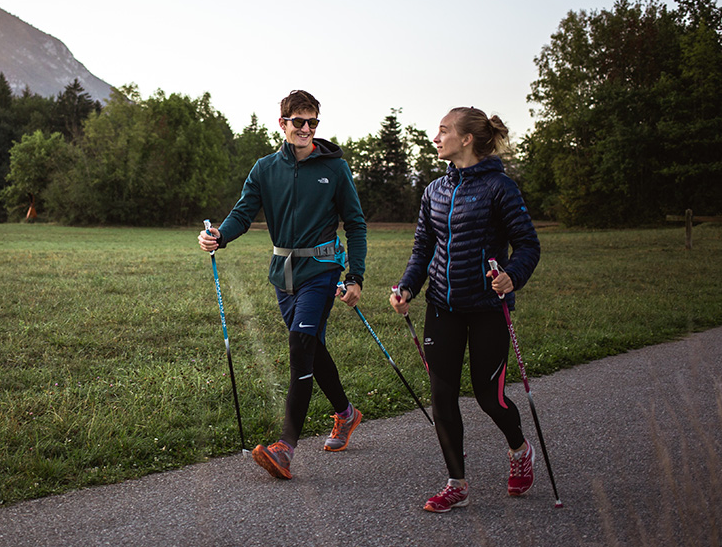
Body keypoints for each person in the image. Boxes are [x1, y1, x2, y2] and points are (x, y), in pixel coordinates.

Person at [198, 89, 368, 480]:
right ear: (283, 124)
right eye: (299, 122)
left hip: (323, 269)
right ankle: (346, 414)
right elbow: (242, 214)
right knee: (309, 344)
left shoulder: (335, 168)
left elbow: (356, 224)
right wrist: (219, 236)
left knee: (300, 343)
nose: (306, 129)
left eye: (313, 122)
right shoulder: (264, 169)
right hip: (283, 273)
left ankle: (285, 447)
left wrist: (354, 275)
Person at [389, 106, 541, 513]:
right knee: (442, 397)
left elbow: (528, 244)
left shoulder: (499, 188)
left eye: (443, 131)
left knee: (488, 397)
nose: (435, 138)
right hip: (442, 305)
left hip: (488, 307)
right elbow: (423, 249)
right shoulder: (434, 190)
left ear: (467, 139)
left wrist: (512, 275)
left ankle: (519, 449)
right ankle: (456, 482)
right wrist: (407, 287)